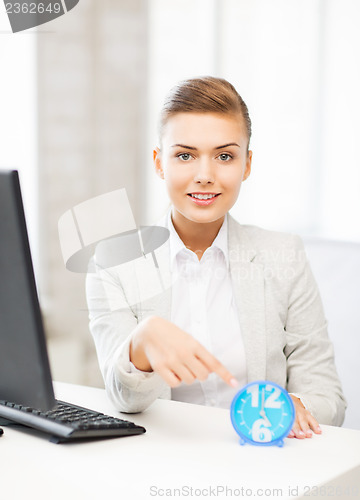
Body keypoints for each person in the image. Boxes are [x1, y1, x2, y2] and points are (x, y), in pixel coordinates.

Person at [86, 76, 346, 440]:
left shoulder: (283, 255)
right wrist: (140, 347)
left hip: (265, 465)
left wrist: (297, 405)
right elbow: (123, 399)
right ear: (160, 163)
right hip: (157, 467)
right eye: (185, 155)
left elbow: (328, 397)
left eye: (224, 156)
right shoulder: (114, 263)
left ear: (246, 164)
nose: (205, 176)